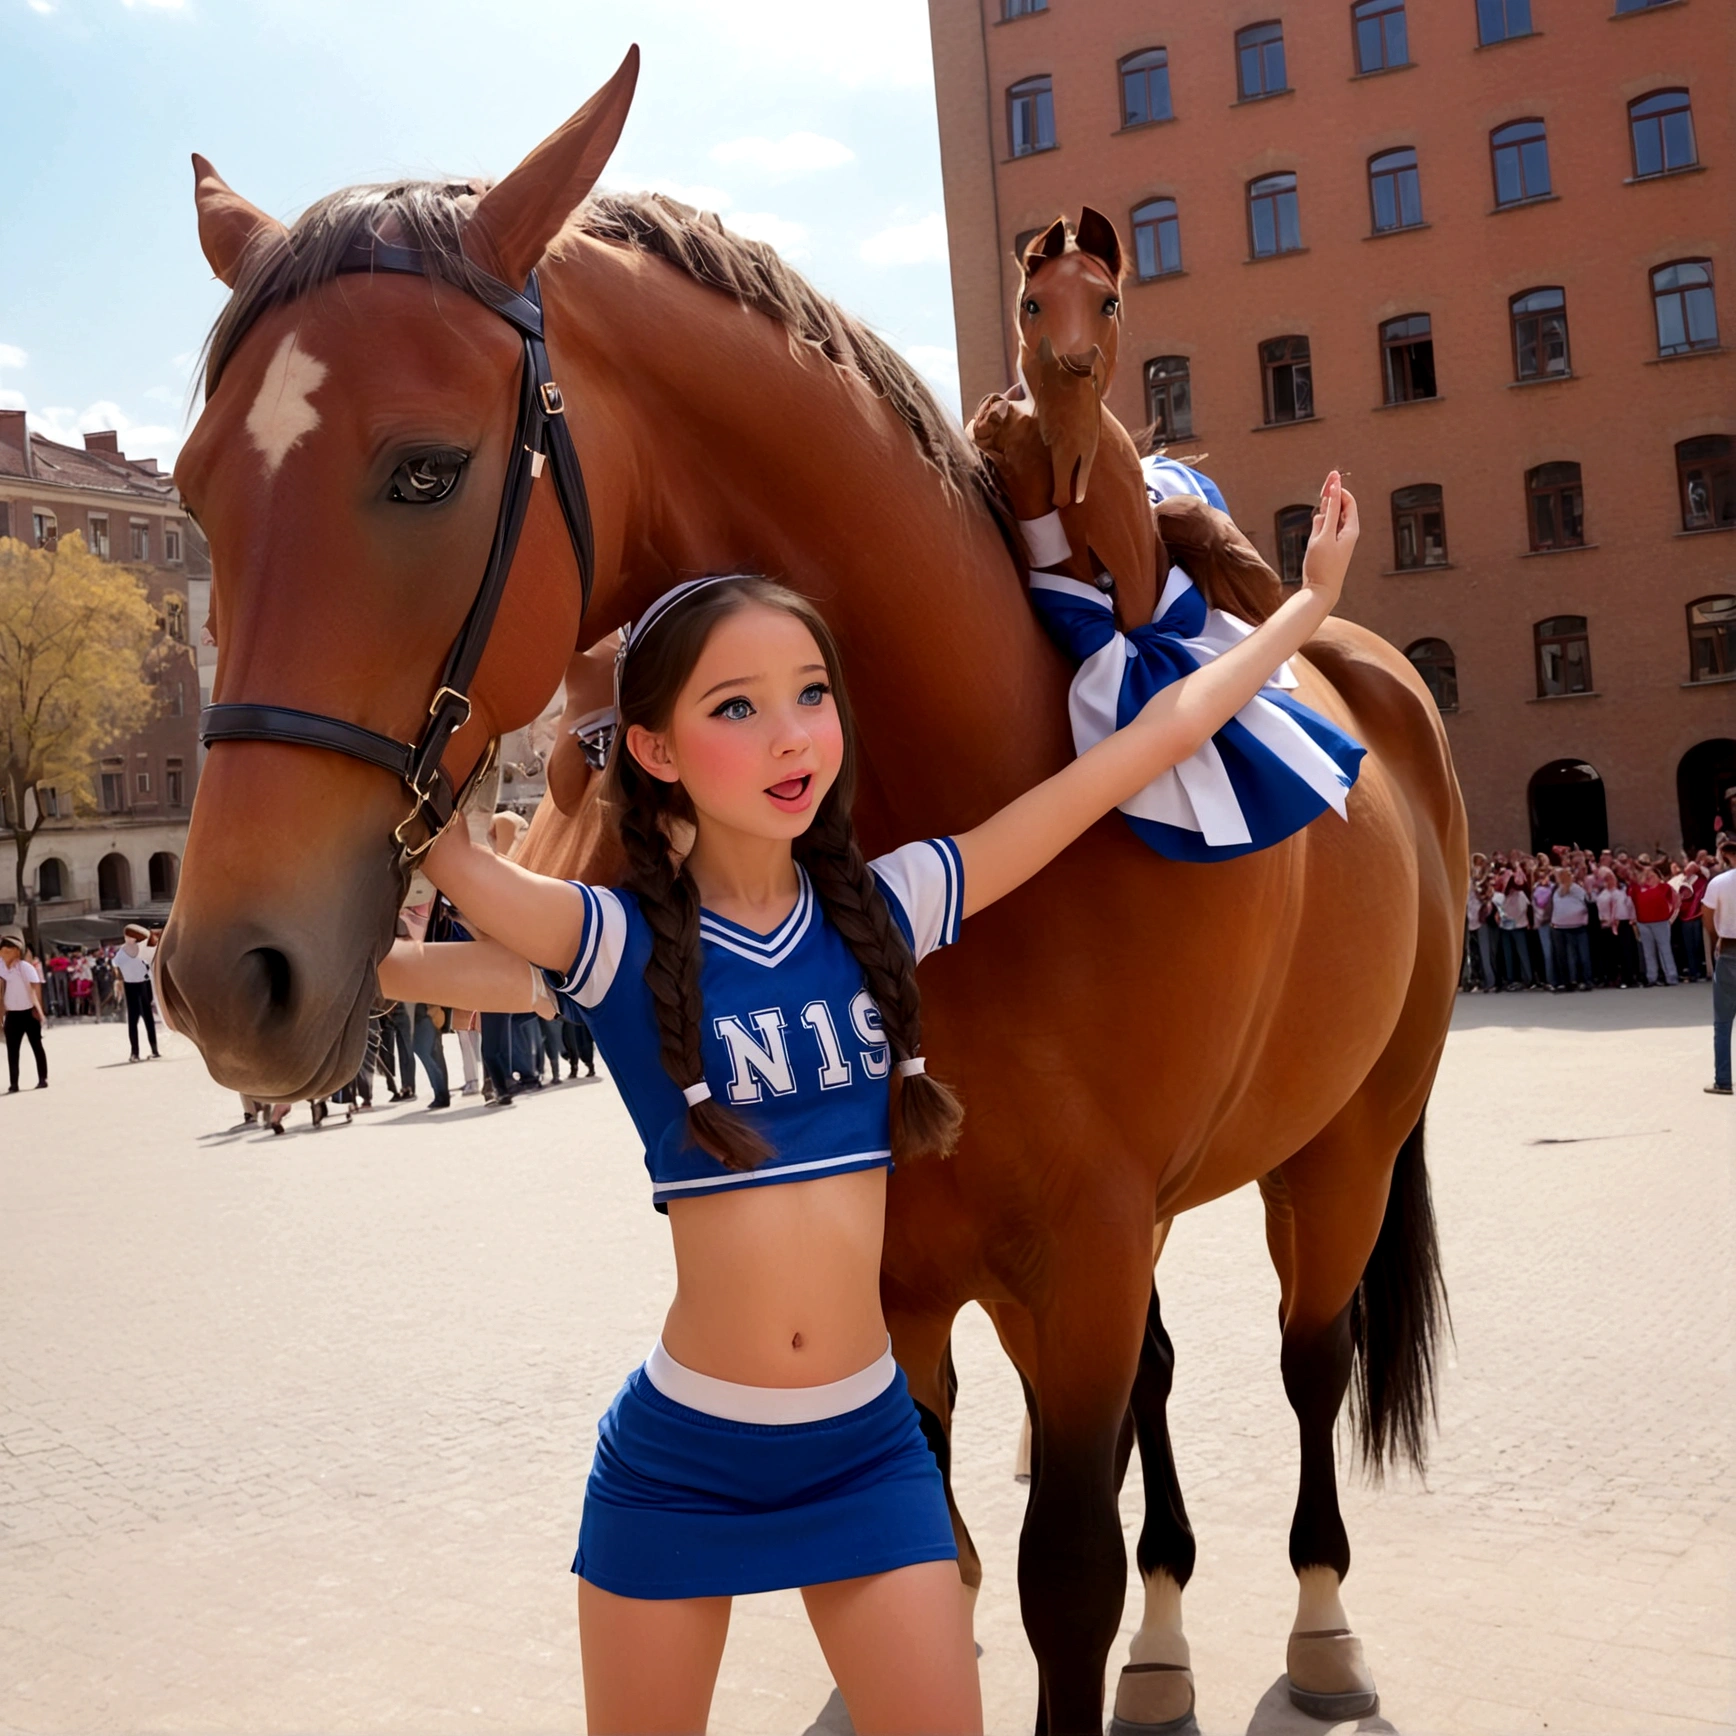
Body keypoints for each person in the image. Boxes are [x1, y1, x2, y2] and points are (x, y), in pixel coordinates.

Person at [378, 473, 1358, 1733]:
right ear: (657, 749)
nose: (791, 734)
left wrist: (1301, 614)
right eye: (737, 705)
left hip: (867, 1451)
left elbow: (1142, 746)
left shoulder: (890, 908)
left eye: (811, 694)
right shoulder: (613, 942)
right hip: (678, 1458)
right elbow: (427, 844)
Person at [1702, 838, 1736, 1095]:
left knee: (1723, 1022)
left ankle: (1723, 1080)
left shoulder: (1718, 883)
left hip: (1730, 949)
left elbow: (1707, 917)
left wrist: (1718, 939)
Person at [1, 934, 49, 1092]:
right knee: (12, 1050)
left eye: (7, 949)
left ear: (15, 951)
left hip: (29, 1012)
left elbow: (37, 989)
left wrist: (39, 1011)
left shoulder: (25, 967)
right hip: (12, 1015)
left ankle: (43, 1078)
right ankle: (14, 1083)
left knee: (37, 1045)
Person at [113, 923, 161, 1059]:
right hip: (131, 986)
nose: (129, 939)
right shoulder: (121, 952)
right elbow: (115, 966)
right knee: (133, 1021)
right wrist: (118, 982)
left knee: (148, 1019)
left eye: (131, 936)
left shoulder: (142, 948)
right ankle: (135, 1052)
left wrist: (153, 932)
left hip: (144, 984)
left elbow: (153, 944)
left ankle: (155, 1050)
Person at [1630, 866, 1680, 986]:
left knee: (1665, 950)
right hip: (1643, 923)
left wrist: (1670, 919)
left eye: (1652, 875)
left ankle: (1671, 977)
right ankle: (1651, 977)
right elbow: (1631, 899)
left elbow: (1676, 902)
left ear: (1658, 877)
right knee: (1648, 951)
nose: (1649, 877)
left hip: (1661, 922)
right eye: (1647, 875)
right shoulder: (1638, 889)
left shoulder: (1664, 887)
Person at [1548, 866, 1593, 991]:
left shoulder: (1577, 889)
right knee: (1562, 956)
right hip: (1559, 927)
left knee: (1582, 955)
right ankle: (1565, 982)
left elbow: (1587, 902)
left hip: (1577, 927)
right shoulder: (1556, 890)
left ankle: (1585, 980)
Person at [411, 1002, 452, 1109]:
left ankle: (441, 1094)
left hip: (427, 1013)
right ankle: (441, 1094)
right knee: (430, 1054)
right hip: (424, 1013)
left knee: (430, 1054)